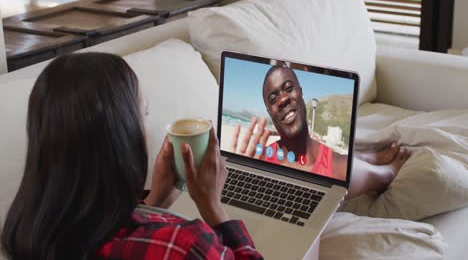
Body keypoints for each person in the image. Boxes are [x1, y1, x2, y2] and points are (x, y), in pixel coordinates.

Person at [0, 53, 263, 260]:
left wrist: (154, 201)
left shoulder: (23, 231)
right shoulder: (185, 245)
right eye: (143, 114)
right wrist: (212, 206)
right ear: (122, 137)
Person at [231, 66, 411, 199]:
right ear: (268, 110)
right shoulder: (258, 157)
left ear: (301, 92)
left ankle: (382, 167)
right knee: (338, 170)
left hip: (328, 160)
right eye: (273, 98)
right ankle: (378, 165)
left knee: (340, 169)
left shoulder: (334, 163)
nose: (283, 99)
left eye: (288, 88)